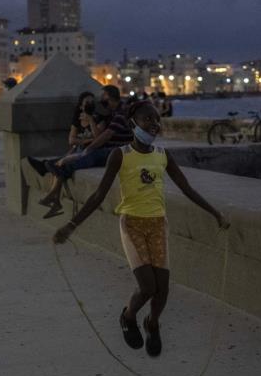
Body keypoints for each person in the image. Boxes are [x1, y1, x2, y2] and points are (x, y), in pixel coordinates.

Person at [53, 101, 229, 356]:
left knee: (163, 288)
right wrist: (71, 226)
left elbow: (186, 188)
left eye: (157, 120)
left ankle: (153, 322)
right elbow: (98, 195)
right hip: (132, 223)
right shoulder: (120, 155)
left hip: (158, 224)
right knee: (147, 287)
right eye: (147, 120)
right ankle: (128, 316)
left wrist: (215, 213)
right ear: (133, 124)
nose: (154, 124)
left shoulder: (162, 155)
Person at [38, 85, 133, 217]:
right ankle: (54, 197)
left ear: (109, 96)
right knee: (61, 162)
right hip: (111, 149)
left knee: (75, 162)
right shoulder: (114, 111)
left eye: (103, 96)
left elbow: (105, 136)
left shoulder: (121, 113)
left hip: (118, 151)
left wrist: (86, 150)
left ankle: (54, 196)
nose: (100, 100)